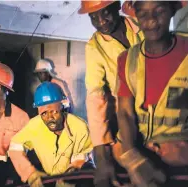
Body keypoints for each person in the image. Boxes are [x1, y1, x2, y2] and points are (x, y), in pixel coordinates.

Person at [117, 1, 188, 187]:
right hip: (140, 151)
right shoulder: (127, 60)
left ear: (173, 10)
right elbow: (124, 113)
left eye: (159, 12)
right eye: (143, 14)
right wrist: (134, 159)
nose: (151, 22)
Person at [78, 0, 144, 186]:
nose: (101, 21)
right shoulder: (94, 47)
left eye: (105, 12)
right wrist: (101, 152)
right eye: (93, 17)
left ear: (117, 6)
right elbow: (95, 94)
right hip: (126, 117)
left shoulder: (141, 24)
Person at [8, 82, 93, 187]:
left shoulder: (79, 127)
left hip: (77, 179)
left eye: (54, 112)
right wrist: (29, 173)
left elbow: (81, 159)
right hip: (50, 178)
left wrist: (71, 174)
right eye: (44, 113)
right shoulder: (35, 125)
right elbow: (15, 147)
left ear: (62, 107)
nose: (49, 118)